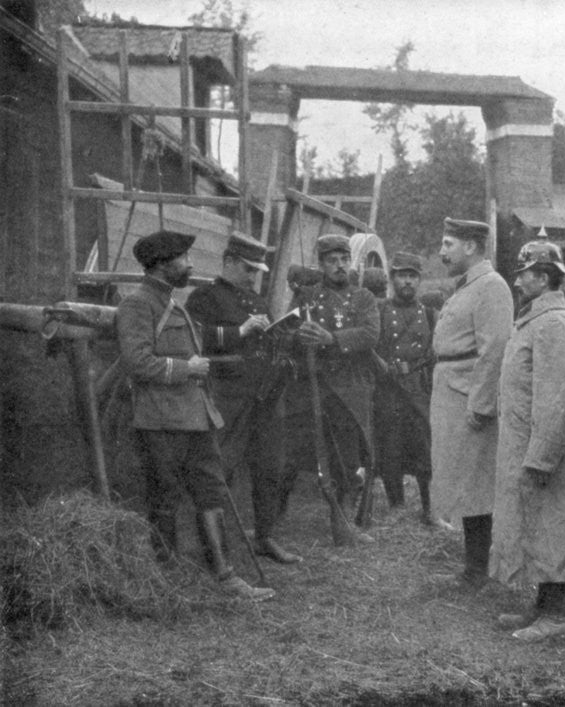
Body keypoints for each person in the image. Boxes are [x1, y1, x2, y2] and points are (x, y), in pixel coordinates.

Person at [116, 230, 274, 601]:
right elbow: (136, 362)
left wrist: (243, 332)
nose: (190, 265)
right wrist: (187, 369)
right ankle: (167, 582)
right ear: (161, 264)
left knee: (211, 493)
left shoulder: (177, 304)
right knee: (165, 499)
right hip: (161, 421)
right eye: (183, 259)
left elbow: (202, 339)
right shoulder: (138, 305)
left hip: (197, 418)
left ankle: (225, 576)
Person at [490, 237, 565, 642]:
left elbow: (558, 398)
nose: (517, 282)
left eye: (523, 275)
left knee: (552, 526)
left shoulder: (552, 323)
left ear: (542, 277)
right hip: (527, 440)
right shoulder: (536, 318)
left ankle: (554, 616)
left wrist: (541, 457)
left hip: (544, 446)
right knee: (537, 524)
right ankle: (540, 607)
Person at [184, 233, 302, 565]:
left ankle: (265, 537)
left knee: (269, 468)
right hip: (227, 397)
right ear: (230, 262)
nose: (253, 277)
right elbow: (193, 337)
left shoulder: (258, 301)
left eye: (256, 271)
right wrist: (241, 331)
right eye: (248, 269)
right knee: (220, 470)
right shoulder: (204, 297)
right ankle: (215, 550)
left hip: (264, 398)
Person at [430, 217, 513, 587]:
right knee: (463, 481)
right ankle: (474, 565)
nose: (442, 251)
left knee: (477, 484)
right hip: (452, 390)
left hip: (468, 397)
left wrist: (481, 404)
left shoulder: (491, 287)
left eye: (448, 244)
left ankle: (479, 570)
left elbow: (494, 349)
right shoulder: (469, 285)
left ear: (471, 246)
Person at [281, 233, 380, 521]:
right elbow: (284, 331)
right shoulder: (306, 297)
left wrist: (330, 338)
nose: (339, 266)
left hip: (348, 389)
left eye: (344, 259)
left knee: (347, 459)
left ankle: (344, 519)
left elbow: (370, 334)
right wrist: (298, 336)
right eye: (332, 260)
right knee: (294, 453)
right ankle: (277, 519)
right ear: (321, 264)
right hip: (312, 385)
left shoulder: (363, 298)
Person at [372, 252, 436, 523]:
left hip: (418, 391)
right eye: (402, 275)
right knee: (390, 448)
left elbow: (435, 354)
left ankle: (429, 508)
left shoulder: (431, 315)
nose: (407, 281)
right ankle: (396, 505)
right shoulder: (380, 310)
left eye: (412, 276)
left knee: (424, 448)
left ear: (419, 280)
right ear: (392, 278)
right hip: (388, 390)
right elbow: (369, 347)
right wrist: (383, 368)